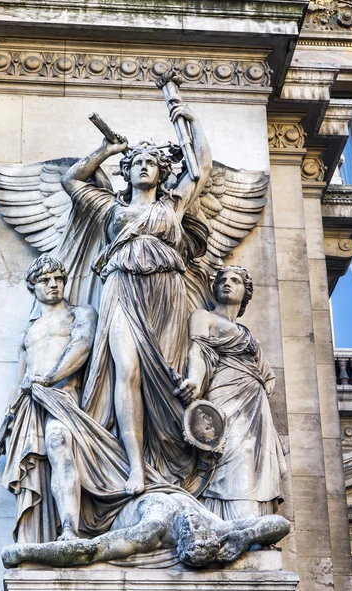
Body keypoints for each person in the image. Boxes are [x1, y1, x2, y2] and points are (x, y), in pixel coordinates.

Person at [59, 103, 212, 496]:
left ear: (162, 173)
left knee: (164, 374)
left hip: (166, 292)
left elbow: (202, 169)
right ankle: (134, 467)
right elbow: (72, 181)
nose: (143, 166)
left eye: (151, 162)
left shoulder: (172, 205)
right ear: (126, 172)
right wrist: (107, 151)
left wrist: (190, 121)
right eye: (136, 162)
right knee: (126, 369)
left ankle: (163, 460)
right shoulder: (111, 208)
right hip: (120, 288)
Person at [0, 254, 98, 543]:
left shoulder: (79, 314)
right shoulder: (29, 332)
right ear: (32, 287)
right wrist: (1, 432)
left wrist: (50, 377)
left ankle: (70, 529)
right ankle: (37, 537)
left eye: (59, 279)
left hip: (63, 397)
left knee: (58, 441)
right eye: (45, 280)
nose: (53, 285)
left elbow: (82, 346)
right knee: (32, 469)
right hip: (30, 404)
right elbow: (18, 383)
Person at [177, 266, 287, 519]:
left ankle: (251, 519)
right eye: (222, 280)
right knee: (228, 451)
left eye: (235, 281)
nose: (227, 283)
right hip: (223, 395)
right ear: (214, 289)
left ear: (245, 292)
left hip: (254, 404)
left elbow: (268, 376)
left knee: (251, 452)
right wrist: (194, 379)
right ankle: (229, 521)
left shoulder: (249, 336)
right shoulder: (203, 317)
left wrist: (259, 390)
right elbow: (199, 350)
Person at [2, 489, 290, 569]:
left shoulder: (153, 529)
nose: (197, 526)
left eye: (194, 534)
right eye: (203, 534)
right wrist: (245, 536)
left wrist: (25, 551)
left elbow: (90, 550)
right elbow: (281, 524)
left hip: (109, 501)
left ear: (181, 544)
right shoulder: (219, 526)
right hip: (146, 479)